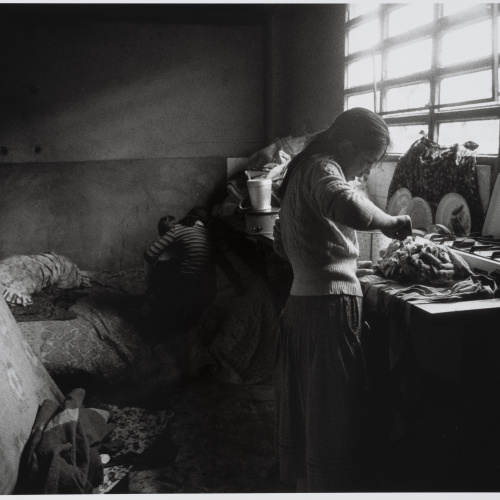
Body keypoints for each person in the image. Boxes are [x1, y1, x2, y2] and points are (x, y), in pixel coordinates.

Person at [272, 107, 412, 492]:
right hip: (328, 312)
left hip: (301, 308)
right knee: (332, 419)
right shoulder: (323, 168)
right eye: (367, 161)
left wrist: (332, 258)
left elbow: (284, 244)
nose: (366, 172)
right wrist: (392, 223)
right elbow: (346, 205)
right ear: (347, 147)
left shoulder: (300, 172)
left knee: (310, 414)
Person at [143, 206, 217, 339]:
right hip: (210, 290)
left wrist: (148, 278)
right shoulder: (208, 234)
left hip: (188, 284)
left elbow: (149, 254)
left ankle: (161, 332)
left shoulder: (178, 229)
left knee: (168, 309)